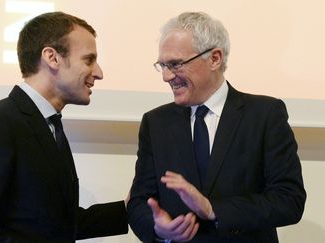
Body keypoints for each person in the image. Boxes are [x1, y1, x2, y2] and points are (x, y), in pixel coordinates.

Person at [0, 12, 128, 242]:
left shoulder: (50, 125)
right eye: (88, 60)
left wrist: (129, 210)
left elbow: (55, 224)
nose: (99, 73)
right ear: (52, 57)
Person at [127, 11, 306, 243]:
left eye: (175, 64)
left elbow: (289, 201)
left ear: (215, 58)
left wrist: (213, 209)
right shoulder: (156, 122)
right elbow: (139, 202)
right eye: (162, 65)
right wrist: (159, 229)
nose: (166, 76)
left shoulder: (265, 115)